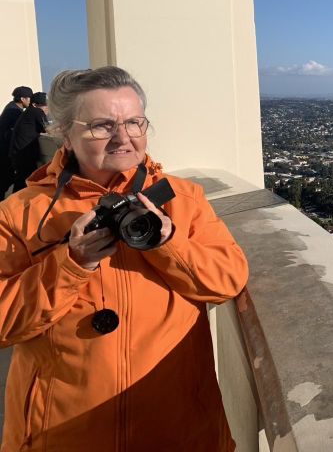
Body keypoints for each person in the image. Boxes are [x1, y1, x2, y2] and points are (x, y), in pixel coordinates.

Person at [0, 67, 248, 451]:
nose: (123, 138)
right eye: (102, 125)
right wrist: (71, 265)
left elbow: (227, 280)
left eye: (134, 122)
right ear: (65, 132)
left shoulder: (182, 199)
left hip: (178, 428)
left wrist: (167, 242)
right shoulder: (18, 215)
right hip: (62, 434)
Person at [9, 91, 49, 193]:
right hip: (24, 154)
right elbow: (49, 129)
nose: (46, 108)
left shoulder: (29, 112)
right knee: (23, 184)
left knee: (21, 183)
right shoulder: (36, 112)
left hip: (19, 153)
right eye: (44, 105)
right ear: (35, 105)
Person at [0, 87, 32, 199]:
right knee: (7, 178)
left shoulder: (11, 107)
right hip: (4, 150)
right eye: (29, 98)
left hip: (5, 149)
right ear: (23, 99)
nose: (31, 101)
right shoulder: (14, 112)